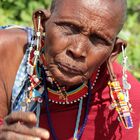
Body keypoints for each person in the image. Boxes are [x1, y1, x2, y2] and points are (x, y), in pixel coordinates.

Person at [0, 0, 140, 140]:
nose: (78, 51)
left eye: (98, 40)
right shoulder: (6, 55)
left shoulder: (122, 100)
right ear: (42, 23)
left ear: (113, 51)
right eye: (69, 28)